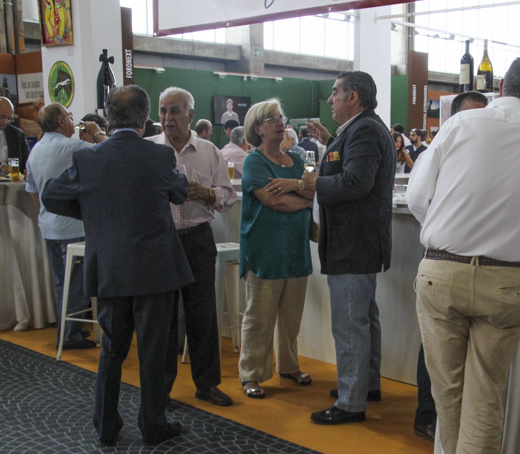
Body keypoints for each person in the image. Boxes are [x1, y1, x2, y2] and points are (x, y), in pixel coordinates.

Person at [406, 56, 520, 454]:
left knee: (449, 393)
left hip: (443, 272)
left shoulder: (462, 123)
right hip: (511, 280)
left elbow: (417, 195)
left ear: (499, 87)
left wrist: (445, 229)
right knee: (486, 395)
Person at [41, 85, 193, 446]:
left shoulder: (88, 159)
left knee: (112, 349)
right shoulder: (159, 156)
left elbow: (50, 195)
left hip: (110, 266)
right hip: (155, 269)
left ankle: (106, 424)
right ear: (145, 120)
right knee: (154, 350)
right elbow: (180, 192)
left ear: (108, 119)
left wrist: (94, 216)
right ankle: (152, 424)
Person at [301, 71, 395, 425]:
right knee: (363, 318)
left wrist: (314, 181)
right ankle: (364, 385)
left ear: (353, 97)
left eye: (336, 92)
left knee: (350, 323)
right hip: (356, 240)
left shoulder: (365, 130)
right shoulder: (359, 130)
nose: (330, 99)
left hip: (353, 241)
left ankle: (351, 402)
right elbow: (351, 170)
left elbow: (356, 182)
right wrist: (330, 144)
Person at [149, 86, 236, 408]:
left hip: (198, 238)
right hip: (160, 241)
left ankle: (207, 383)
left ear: (189, 114)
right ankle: (162, 389)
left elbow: (228, 197)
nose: (167, 118)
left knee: (202, 315)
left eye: (174, 111)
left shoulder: (209, 151)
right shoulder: (148, 150)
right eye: (162, 110)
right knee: (162, 320)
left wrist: (207, 194)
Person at [413, 89, 489, 442]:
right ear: (452, 118)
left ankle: (455, 432)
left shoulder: (492, 154)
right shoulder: (439, 149)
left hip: (483, 265)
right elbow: (417, 199)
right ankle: (427, 416)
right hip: (443, 258)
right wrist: (443, 230)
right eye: (470, 114)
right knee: (435, 351)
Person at [237, 99, 314, 399]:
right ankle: (251, 374)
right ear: (257, 127)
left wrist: (296, 185)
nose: (279, 122)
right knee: (259, 316)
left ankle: (290, 366)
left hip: (296, 249)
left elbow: (313, 184)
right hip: (264, 251)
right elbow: (274, 201)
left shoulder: (300, 157)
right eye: (271, 118)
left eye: (280, 117)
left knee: (292, 315)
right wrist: (306, 199)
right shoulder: (253, 161)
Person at [25, 103, 106, 351]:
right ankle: (70, 334)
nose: (74, 122)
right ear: (61, 122)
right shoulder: (72, 147)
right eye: (70, 117)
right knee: (78, 284)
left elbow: (33, 191)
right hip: (72, 226)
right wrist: (96, 130)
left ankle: (67, 330)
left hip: (48, 225)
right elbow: (112, 151)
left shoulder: (35, 150)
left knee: (62, 282)